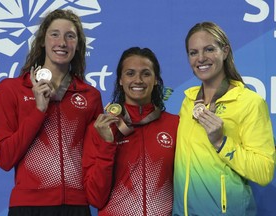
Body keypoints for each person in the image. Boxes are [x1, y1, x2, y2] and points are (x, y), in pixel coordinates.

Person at [0, 9, 103, 216]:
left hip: (76, 206)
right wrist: (38, 111)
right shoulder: (12, 89)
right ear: (42, 41)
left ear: (77, 45)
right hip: (27, 206)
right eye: (54, 34)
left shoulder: (90, 96)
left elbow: (94, 159)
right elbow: (4, 158)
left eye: (70, 36)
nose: (62, 42)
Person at [172, 21, 275, 216]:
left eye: (209, 49)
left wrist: (221, 142)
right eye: (193, 52)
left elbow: (264, 171)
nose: (201, 58)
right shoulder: (188, 101)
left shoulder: (249, 102)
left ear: (225, 51)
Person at [82, 47, 179, 216]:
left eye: (146, 73)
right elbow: (95, 199)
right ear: (120, 79)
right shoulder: (100, 128)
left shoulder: (175, 125)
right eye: (130, 73)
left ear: (156, 79)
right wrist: (107, 145)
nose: (138, 80)